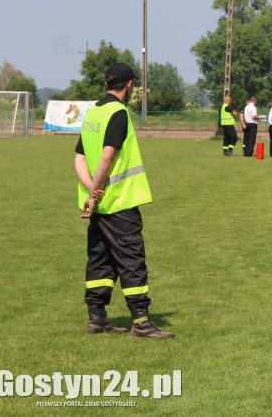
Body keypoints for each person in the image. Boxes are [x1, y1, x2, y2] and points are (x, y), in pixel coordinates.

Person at [74, 62, 174, 339]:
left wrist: (90, 191)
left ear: (107, 84)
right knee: (131, 260)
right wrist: (97, 190)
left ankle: (97, 319)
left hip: (98, 204)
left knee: (100, 261)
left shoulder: (92, 113)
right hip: (118, 202)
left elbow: (79, 157)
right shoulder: (119, 113)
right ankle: (142, 323)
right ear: (129, 85)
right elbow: (107, 156)